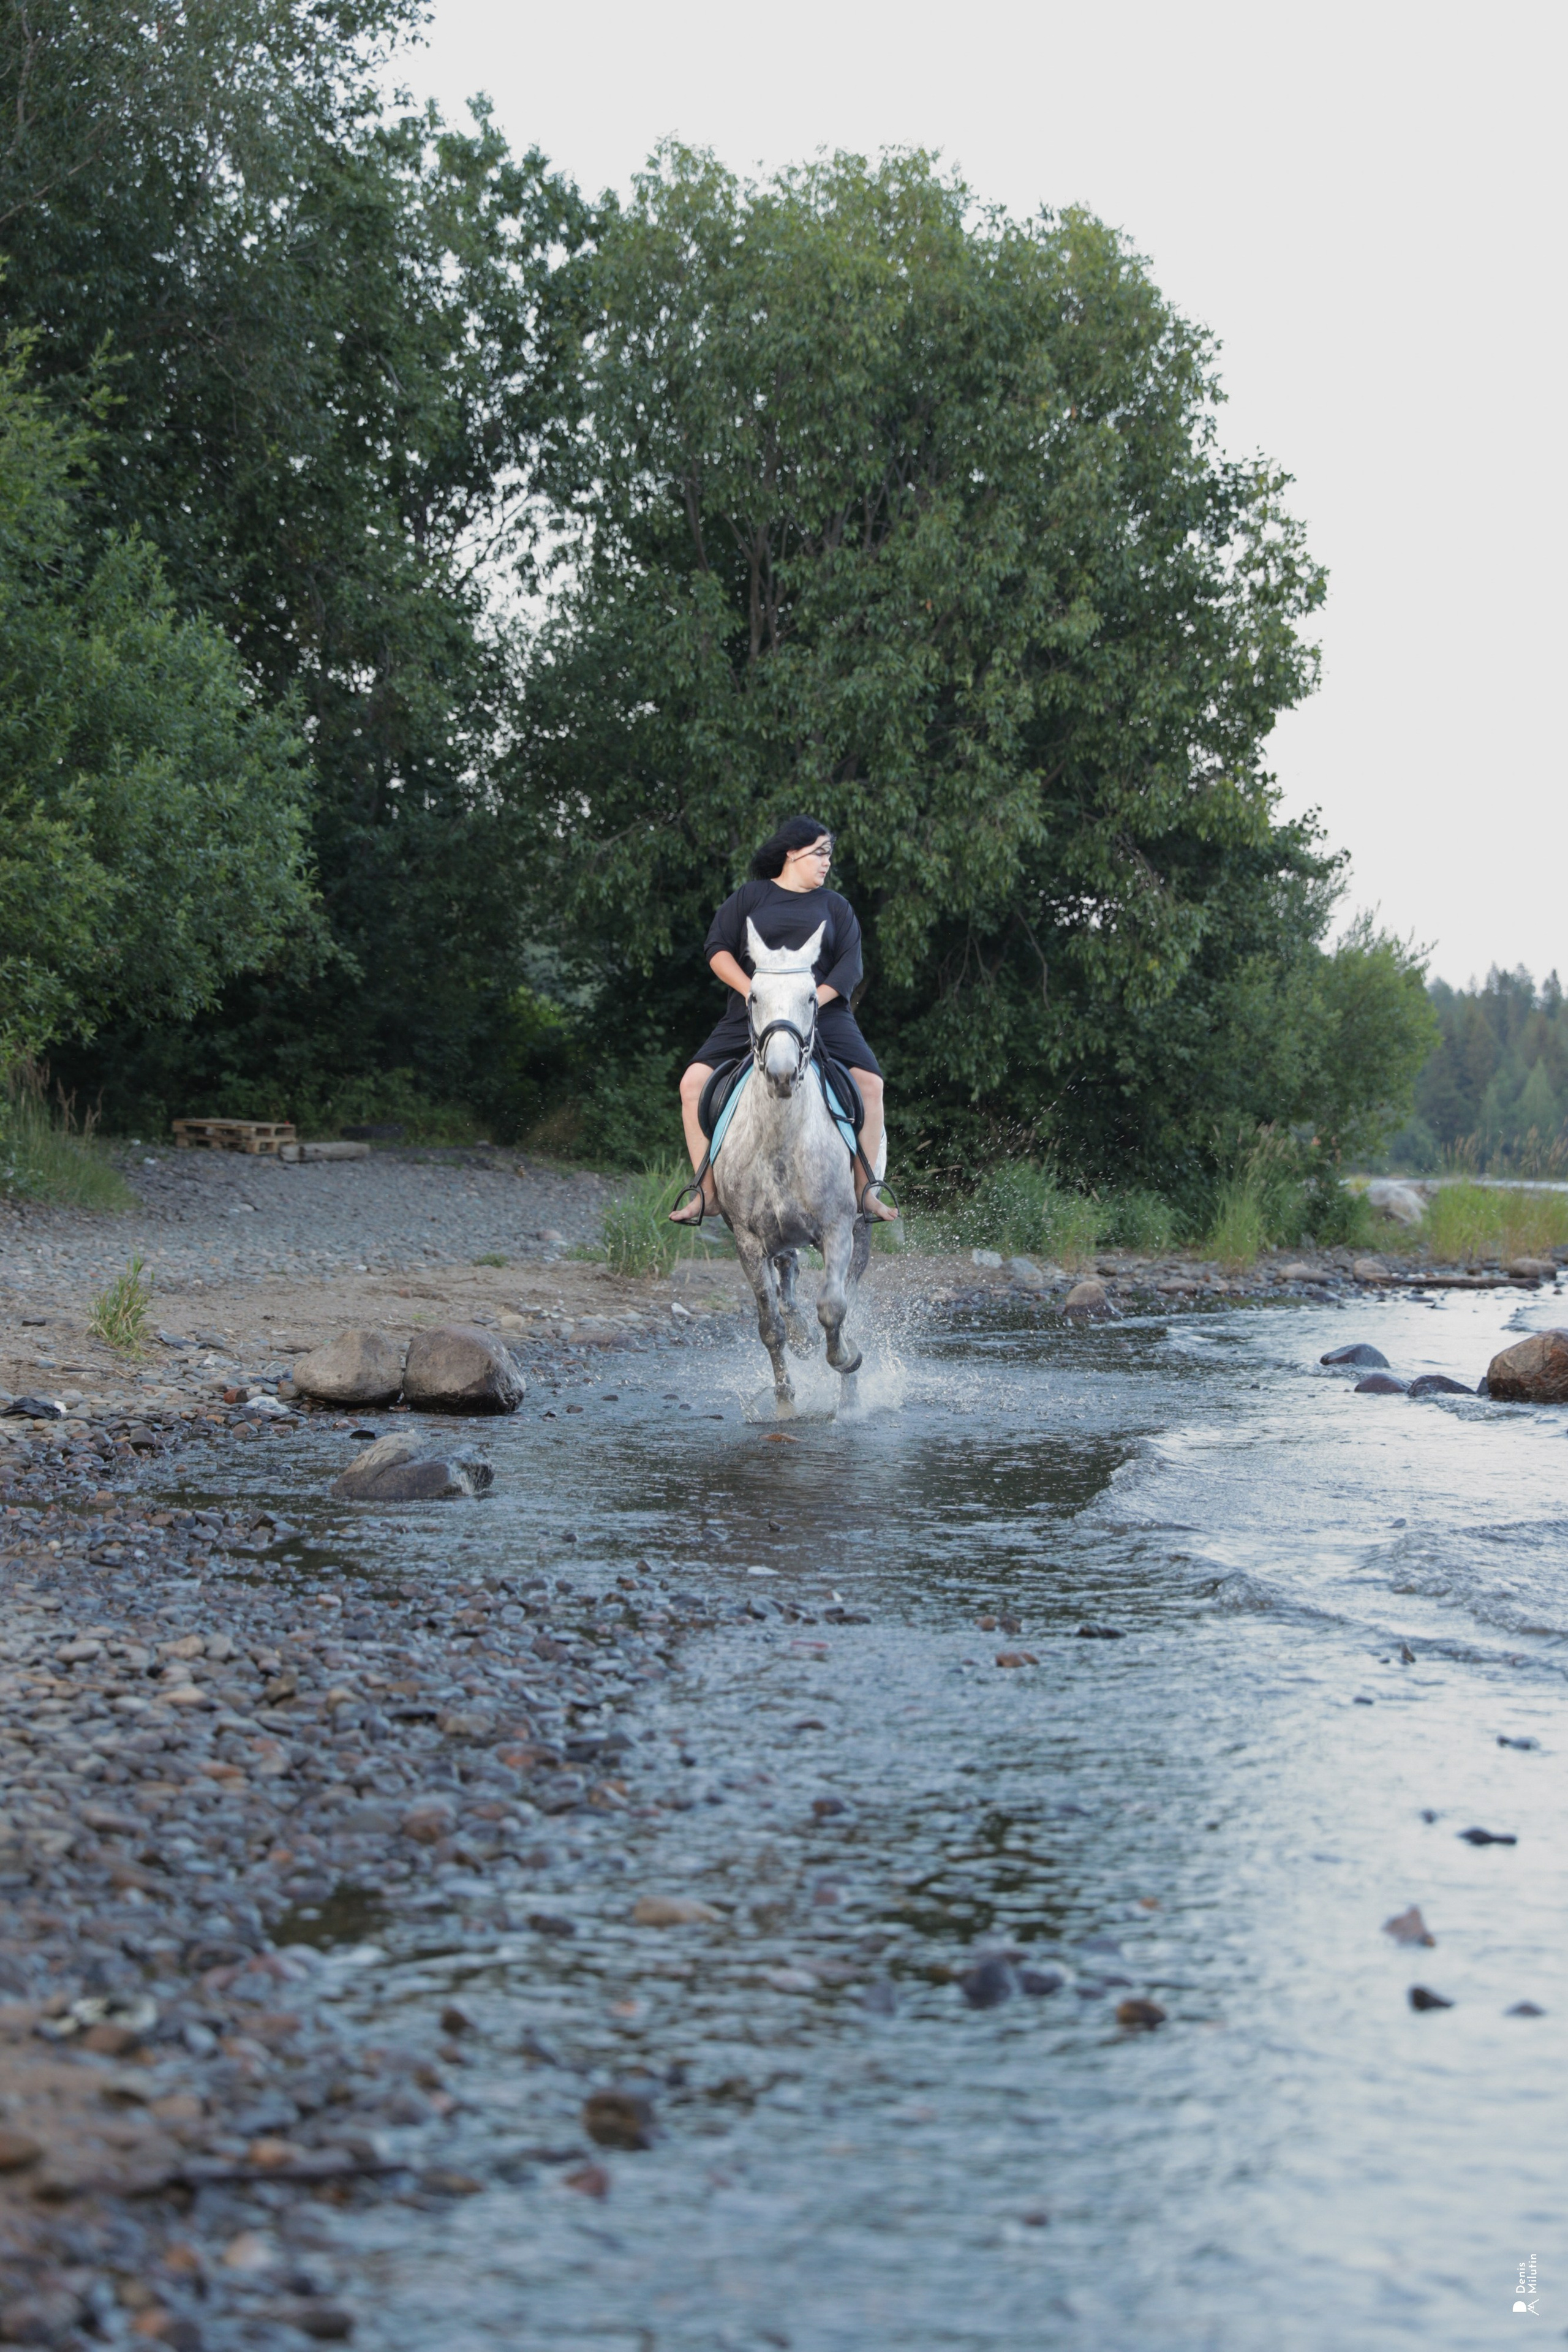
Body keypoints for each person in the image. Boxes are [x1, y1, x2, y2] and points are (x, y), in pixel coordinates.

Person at [669, 816, 897, 1223]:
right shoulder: (750, 898)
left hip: (822, 1016)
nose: (827, 862)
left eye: (830, 854)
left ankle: (865, 1190)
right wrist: (752, 993)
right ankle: (706, 1192)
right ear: (793, 852)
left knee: (871, 1083)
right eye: (820, 853)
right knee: (691, 1085)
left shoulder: (837, 907)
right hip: (752, 1014)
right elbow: (717, 949)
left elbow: (849, 969)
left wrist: (807, 1004)